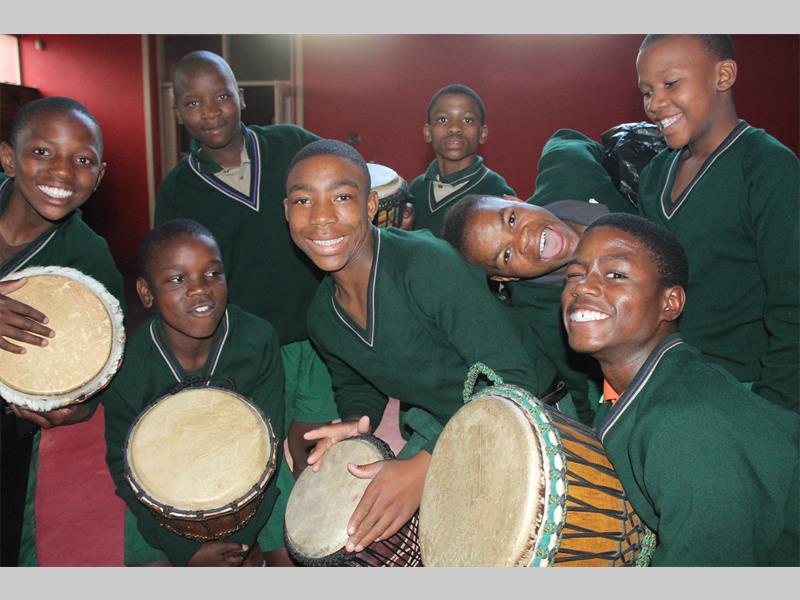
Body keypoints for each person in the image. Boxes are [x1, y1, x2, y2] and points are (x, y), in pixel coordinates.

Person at [283, 139, 555, 557]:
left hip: (533, 416)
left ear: (370, 205)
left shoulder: (424, 265)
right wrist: (355, 421)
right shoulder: (322, 317)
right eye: (304, 200)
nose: (321, 217)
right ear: (287, 212)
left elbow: (516, 379)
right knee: (361, 528)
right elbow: (356, 383)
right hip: (443, 422)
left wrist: (426, 466)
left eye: (342, 197)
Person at [154, 50, 339, 562]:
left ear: (241, 96)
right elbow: (176, 280)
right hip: (247, 348)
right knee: (257, 459)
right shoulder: (178, 190)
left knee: (319, 453)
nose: (210, 111)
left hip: (322, 335)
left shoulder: (292, 145)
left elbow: (348, 183)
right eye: (193, 102)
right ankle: (266, 552)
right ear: (178, 112)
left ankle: (320, 545)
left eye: (220, 95)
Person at [561, 212, 798, 566]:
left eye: (615, 274)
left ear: (669, 303)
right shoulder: (629, 393)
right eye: (573, 275)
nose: (582, 287)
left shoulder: (686, 424)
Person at [103, 218, 285, 567]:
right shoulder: (126, 364)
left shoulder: (257, 339)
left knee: (290, 558)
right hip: (162, 497)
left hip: (255, 485)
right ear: (146, 292)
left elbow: (271, 450)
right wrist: (184, 550)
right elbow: (122, 465)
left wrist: (241, 541)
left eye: (213, 273)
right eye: (177, 279)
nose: (200, 289)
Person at [635, 34, 799, 412]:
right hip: (671, 386)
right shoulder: (654, 175)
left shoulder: (768, 168)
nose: (654, 104)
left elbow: (793, 305)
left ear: (723, 76)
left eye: (670, 83)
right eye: (647, 92)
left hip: (746, 392)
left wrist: (776, 410)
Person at [0, 97, 123, 566]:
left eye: (83, 160)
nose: (62, 172)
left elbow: (103, 363)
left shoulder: (89, 259)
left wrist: (78, 406)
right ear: (8, 158)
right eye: (42, 152)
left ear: (100, 175)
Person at [441, 194, 607, 425]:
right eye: (506, 255)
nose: (524, 239)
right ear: (505, 278)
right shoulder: (550, 318)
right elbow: (580, 392)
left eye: (512, 219)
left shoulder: (578, 181)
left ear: (515, 199)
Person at [409, 83, 514, 235]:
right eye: (443, 119)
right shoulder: (416, 189)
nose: (455, 128)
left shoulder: (497, 193)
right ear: (428, 132)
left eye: (467, 120)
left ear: (482, 134)